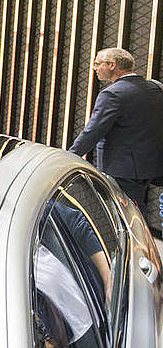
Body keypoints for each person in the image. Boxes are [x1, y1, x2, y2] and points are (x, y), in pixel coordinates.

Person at [68, 47, 163, 224]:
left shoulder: (112, 94)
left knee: (127, 216)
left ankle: (136, 250)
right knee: (135, 212)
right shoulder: (155, 88)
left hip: (123, 167)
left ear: (112, 65)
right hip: (151, 164)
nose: (94, 68)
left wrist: (70, 155)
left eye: (97, 64)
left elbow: (94, 131)